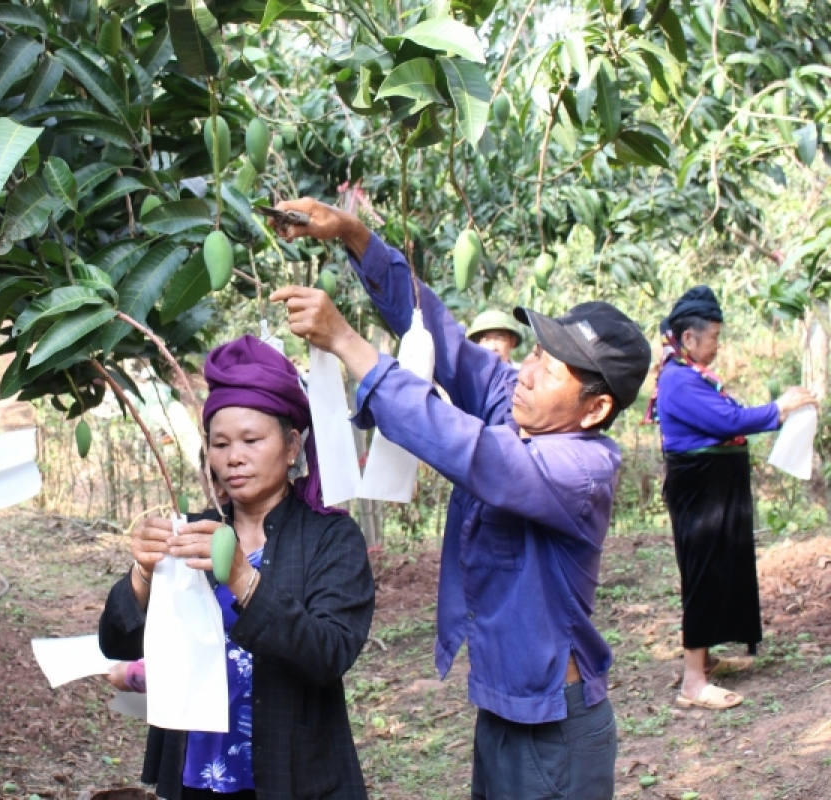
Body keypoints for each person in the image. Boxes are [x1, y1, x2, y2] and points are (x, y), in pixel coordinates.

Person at [268, 197, 651, 800]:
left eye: (550, 372)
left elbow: (468, 450)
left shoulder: (581, 469)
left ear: (595, 407)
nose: (524, 372)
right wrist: (356, 235)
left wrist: (346, 341)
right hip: (504, 709)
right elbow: (441, 336)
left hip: (553, 724)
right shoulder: (517, 409)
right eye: (535, 354)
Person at [98, 335, 375, 800]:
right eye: (220, 443)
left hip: (295, 775)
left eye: (252, 440)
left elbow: (330, 653)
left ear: (291, 446)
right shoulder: (193, 534)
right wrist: (143, 574)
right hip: (196, 771)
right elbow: (118, 641)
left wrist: (243, 581)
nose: (233, 458)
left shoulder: (331, 538)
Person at [648, 286, 815, 710]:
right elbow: (729, 420)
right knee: (703, 572)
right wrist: (779, 407)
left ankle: (703, 658)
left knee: (718, 568)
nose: (718, 347)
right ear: (689, 339)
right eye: (714, 339)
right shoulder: (678, 381)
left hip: (715, 488)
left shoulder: (690, 376)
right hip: (701, 491)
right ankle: (692, 682)